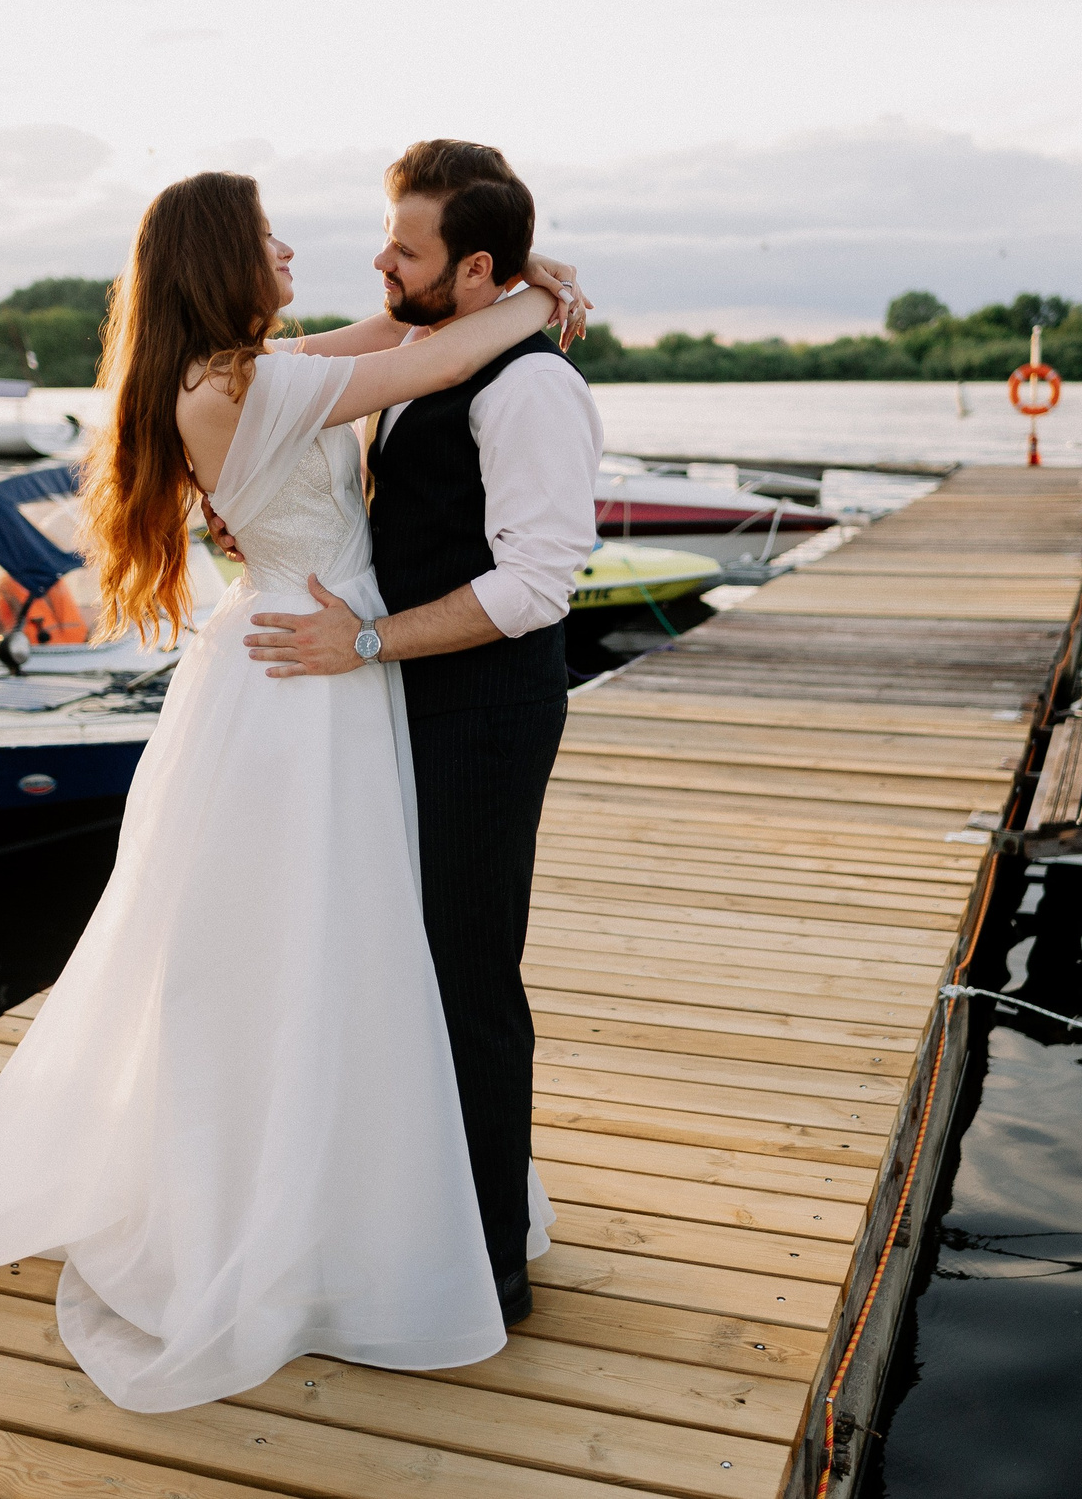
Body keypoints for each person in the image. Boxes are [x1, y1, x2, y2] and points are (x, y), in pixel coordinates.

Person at [0, 169, 581, 1412]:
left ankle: (344, 1193)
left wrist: (520, 285)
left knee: (317, 947)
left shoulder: (234, 371)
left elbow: (401, 335)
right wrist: (541, 294)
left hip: (293, 657)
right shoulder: (246, 386)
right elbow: (433, 359)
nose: (293, 251)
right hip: (307, 675)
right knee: (315, 948)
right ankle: (303, 1214)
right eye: (268, 236)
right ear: (223, 256)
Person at [234, 141, 604, 1326]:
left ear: (474, 267)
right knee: (403, 967)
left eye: (405, 248)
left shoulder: (531, 387)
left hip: (483, 711)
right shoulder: (422, 346)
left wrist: (367, 641)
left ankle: (488, 1262)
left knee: (468, 973)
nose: (380, 262)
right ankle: (417, 1223)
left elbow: (536, 585)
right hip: (399, 698)